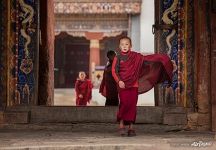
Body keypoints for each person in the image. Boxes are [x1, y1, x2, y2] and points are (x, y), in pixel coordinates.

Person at [112, 36, 173, 136]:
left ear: (130, 46)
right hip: (122, 84)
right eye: (122, 44)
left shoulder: (136, 56)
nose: (124, 46)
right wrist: (119, 81)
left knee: (132, 105)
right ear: (119, 46)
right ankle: (121, 124)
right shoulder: (117, 57)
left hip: (134, 84)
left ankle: (131, 127)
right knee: (124, 103)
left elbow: (147, 59)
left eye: (126, 44)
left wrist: (161, 59)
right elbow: (114, 71)